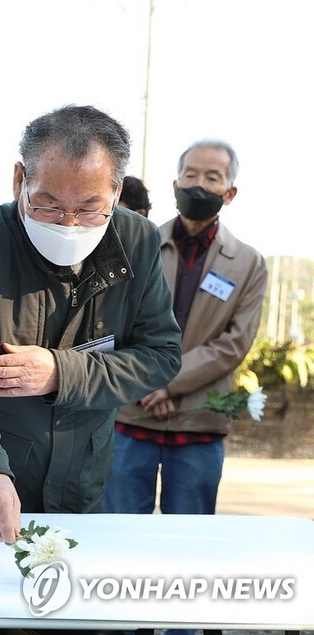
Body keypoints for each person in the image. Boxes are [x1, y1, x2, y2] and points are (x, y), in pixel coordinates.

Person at [0, 104, 183, 558]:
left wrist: (63, 372)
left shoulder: (138, 242)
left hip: (82, 477)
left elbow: (161, 354)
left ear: (116, 192)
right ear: (19, 181)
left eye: (89, 210)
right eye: (48, 206)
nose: (68, 225)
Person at [104, 140, 268, 518]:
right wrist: (147, 381)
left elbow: (234, 343)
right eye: (191, 174)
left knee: (189, 545)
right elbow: (113, 320)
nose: (199, 184)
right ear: (175, 185)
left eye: (213, 177)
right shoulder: (136, 244)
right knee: (119, 538)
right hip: (131, 414)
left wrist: (168, 383)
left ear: (230, 192)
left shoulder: (248, 263)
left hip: (198, 422)